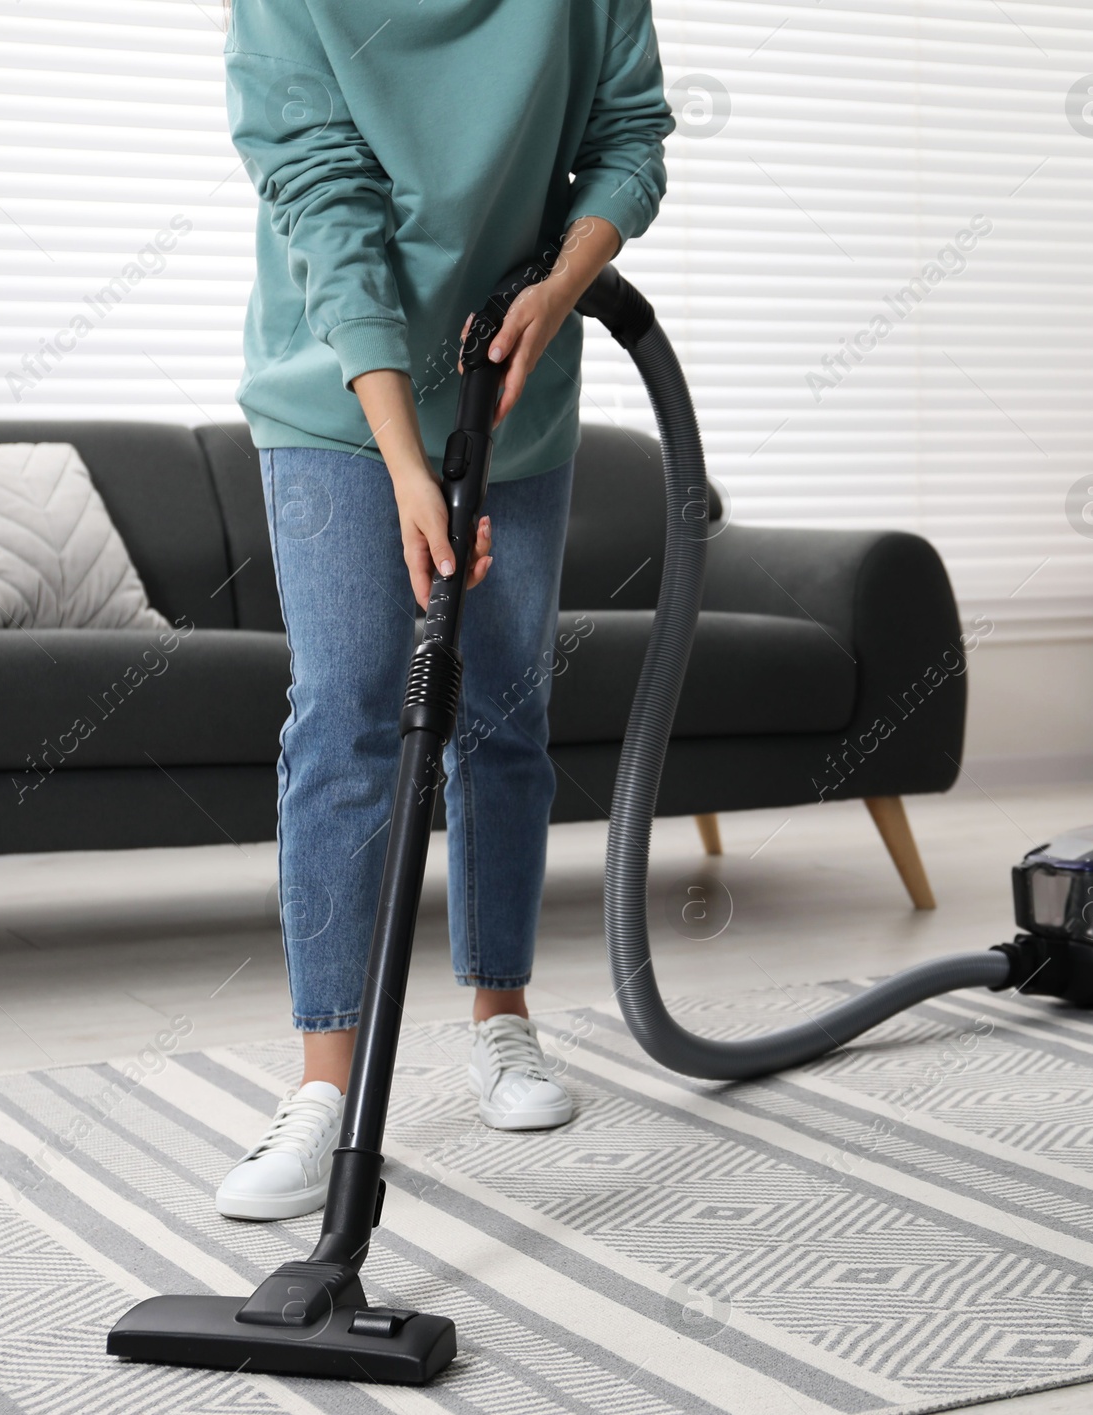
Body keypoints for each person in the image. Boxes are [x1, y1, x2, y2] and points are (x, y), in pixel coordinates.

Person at [215, 1, 672, 1220]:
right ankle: (324, 1082)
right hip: (334, 397)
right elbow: (319, 192)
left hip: (513, 383)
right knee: (352, 709)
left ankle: (501, 1017)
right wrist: (408, 464)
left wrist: (563, 281)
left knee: (504, 710)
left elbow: (630, 137)